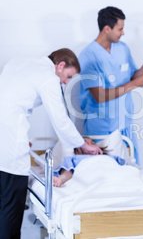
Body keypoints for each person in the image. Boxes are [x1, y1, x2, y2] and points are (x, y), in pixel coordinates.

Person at [0, 48, 102, 239]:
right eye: (68, 76)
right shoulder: (48, 77)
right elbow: (60, 120)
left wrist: (19, 137)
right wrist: (84, 144)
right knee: (10, 213)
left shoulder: (19, 61)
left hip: (5, 139)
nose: (65, 82)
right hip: (11, 150)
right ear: (60, 65)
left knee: (2, 208)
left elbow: (9, 101)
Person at [79, 6, 143, 166]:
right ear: (107, 29)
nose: (123, 33)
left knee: (131, 172)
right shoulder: (88, 55)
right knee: (105, 172)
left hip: (125, 125)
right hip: (101, 129)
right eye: (120, 29)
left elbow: (132, 76)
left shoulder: (122, 48)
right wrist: (135, 84)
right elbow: (99, 96)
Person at [53, 137, 143, 187]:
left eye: (93, 143)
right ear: (78, 149)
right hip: (92, 177)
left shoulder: (111, 158)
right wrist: (60, 180)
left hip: (116, 176)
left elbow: (128, 171)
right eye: (87, 144)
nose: (92, 145)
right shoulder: (74, 159)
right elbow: (67, 173)